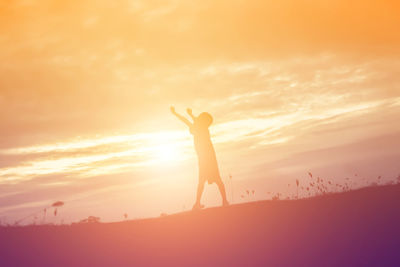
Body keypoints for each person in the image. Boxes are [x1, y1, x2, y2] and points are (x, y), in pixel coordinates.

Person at [171, 106, 229, 210]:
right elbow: (193, 120)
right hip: (208, 157)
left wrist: (176, 114)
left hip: (205, 158)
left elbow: (186, 121)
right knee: (215, 180)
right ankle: (223, 201)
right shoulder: (202, 127)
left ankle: (199, 203)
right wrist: (190, 114)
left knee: (204, 181)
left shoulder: (199, 128)